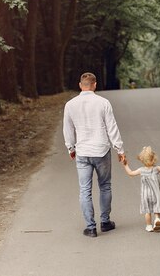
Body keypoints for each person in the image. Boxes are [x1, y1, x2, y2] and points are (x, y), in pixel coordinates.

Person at [63, 72, 126, 238]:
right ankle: (105, 222)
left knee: (85, 190)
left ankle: (90, 227)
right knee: (105, 186)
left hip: (82, 152)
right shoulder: (103, 103)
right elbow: (112, 127)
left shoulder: (70, 105)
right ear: (95, 85)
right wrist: (120, 149)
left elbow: (68, 129)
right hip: (101, 150)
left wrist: (71, 148)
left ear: (80, 85)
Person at [122, 146, 160, 232]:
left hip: (145, 195)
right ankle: (157, 219)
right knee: (156, 208)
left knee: (147, 211)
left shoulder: (141, 170)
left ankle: (149, 225)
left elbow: (131, 173)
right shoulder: (156, 169)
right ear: (154, 158)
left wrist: (125, 165)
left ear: (142, 160)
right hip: (156, 193)